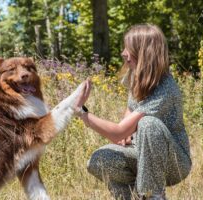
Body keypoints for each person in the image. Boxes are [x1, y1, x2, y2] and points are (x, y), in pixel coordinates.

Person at [73, 24, 192, 200]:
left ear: (145, 53)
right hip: (141, 154)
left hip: (174, 163)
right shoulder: (137, 78)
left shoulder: (165, 87)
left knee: (148, 124)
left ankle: (152, 195)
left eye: (129, 48)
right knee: (99, 160)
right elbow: (126, 121)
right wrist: (126, 134)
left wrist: (82, 112)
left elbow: (117, 132)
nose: (123, 53)